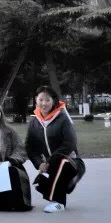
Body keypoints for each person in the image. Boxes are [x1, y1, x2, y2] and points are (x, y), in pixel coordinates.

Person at [25, 85, 84, 214]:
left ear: (54, 101)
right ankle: (62, 187)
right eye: (41, 100)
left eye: (47, 100)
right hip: (49, 165)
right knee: (45, 181)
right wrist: (39, 164)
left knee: (61, 162)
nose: (44, 103)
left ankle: (58, 202)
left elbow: (69, 143)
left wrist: (50, 161)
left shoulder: (62, 118)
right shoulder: (34, 122)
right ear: (36, 100)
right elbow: (30, 147)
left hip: (71, 162)